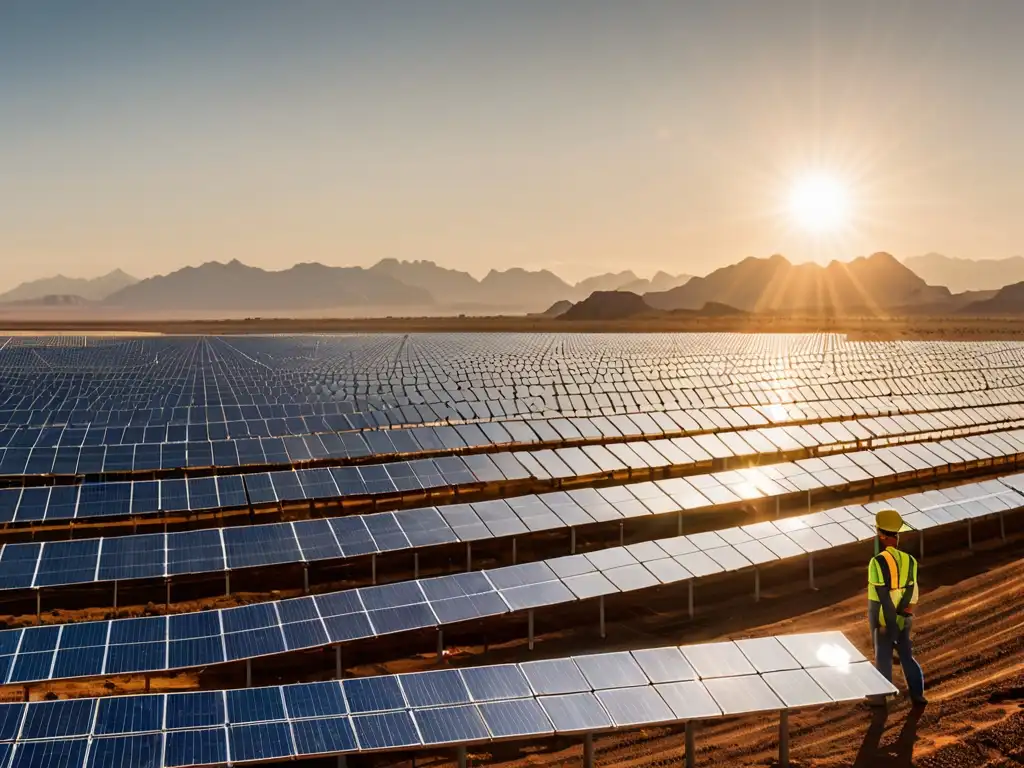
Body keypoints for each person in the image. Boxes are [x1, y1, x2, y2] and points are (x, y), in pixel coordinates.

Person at [867, 508, 927, 707]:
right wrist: (904, 614)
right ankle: (917, 694)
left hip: (883, 615)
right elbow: (912, 592)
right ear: (897, 535)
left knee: (883, 656)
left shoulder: (876, 562)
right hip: (905, 613)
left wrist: (889, 623)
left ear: (880, 534)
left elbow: (883, 596)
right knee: (906, 656)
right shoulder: (910, 560)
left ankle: (883, 696)